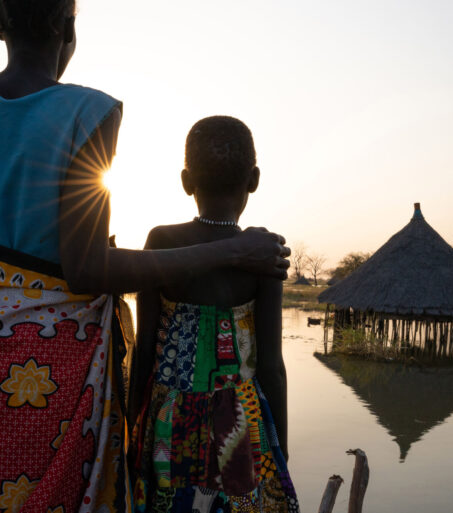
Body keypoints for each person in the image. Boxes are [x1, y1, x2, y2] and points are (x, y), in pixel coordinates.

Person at [0, 1, 291, 511]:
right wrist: (232, 247)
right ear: (69, 26)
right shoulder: (93, 112)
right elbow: (87, 270)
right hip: (56, 377)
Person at [128, 116, 300, 513]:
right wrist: (281, 450)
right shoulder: (263, 254)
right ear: (254, 179)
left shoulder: (162, 241)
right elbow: (271, 367)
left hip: (171, 419)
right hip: (239, 426)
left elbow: (143, 350)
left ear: (187, 181)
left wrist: (134, 427)